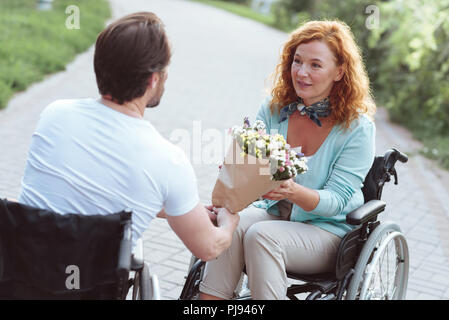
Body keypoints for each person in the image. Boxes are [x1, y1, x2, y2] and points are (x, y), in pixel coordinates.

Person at [18, 12, 239, 262]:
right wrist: (229, 225)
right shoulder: (168, 161)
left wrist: (184, 209)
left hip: (18, 276)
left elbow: (95, 189)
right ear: (153, 80)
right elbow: (208, 248)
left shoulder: (54, 114)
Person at [199, 20, 376, 300]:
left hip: (326, 230)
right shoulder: (274, 108)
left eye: (315, 65)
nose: (302, 72)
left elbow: (338, 201)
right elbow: (254, 169)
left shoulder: (357, 129)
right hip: (273, 211)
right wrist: (237, 178)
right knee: (229, 223)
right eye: (297, 61)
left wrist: (294, 192)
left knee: (262, 236)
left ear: (340, 72)